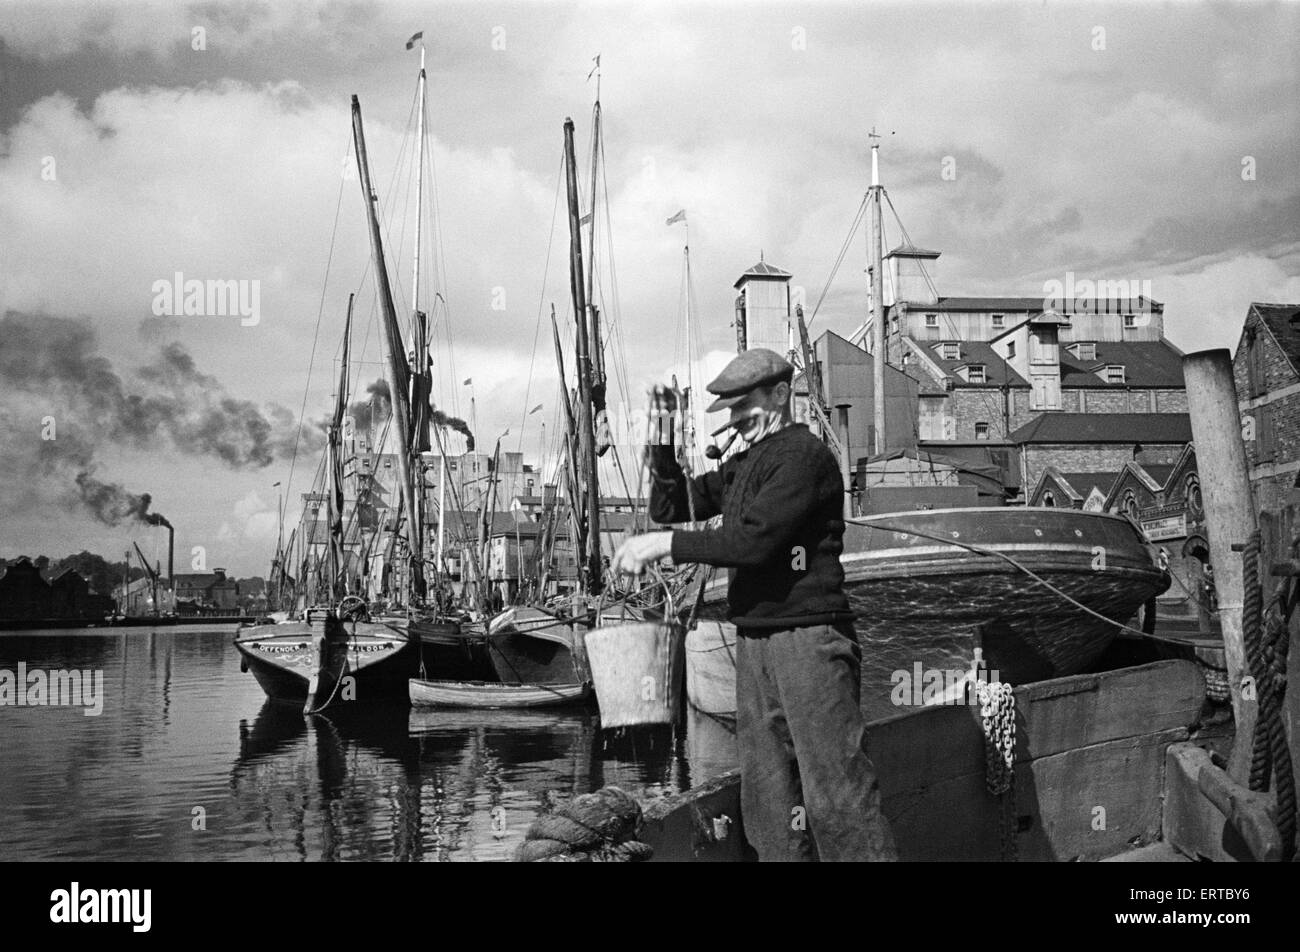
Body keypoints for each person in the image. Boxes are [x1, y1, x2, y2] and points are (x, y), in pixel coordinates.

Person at [610, 348, 897, 862]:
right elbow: (669, 506)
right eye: (730, 411)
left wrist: (663, 545)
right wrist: (661, 438)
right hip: (757, 641)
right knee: (768, 803)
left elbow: (753, 542)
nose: (737, 420)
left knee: (838, 798)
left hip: (809, 640)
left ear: (782, 395)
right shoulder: (745, 465)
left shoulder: (802, 458)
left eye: (745, 406)